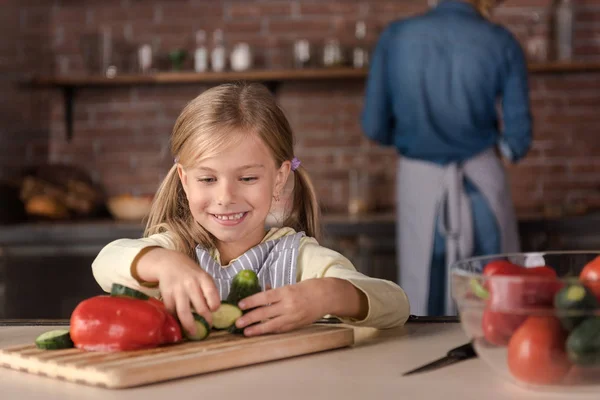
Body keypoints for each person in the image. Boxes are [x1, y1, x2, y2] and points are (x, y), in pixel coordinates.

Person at [92, 82, 410, 337]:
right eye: (207, 178)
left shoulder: (299, 258)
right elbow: (105, 263)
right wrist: (162, 263)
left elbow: (397, 304)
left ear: (279, 178)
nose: (226, 196)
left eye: (247, 178)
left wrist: (329, 294)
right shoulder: (176, 248)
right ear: (185, 181)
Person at [361, 0, 532, 316]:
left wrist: (412, 138)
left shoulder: (396, 36)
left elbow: (373, 126)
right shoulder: (500, 39)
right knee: (495, 304)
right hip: (483, 193)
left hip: (421, 189)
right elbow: (518, 141)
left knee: (424, 304)